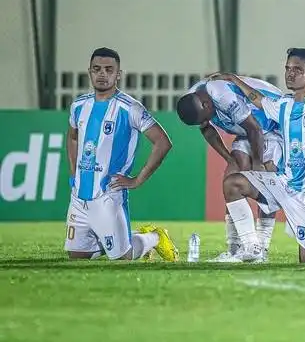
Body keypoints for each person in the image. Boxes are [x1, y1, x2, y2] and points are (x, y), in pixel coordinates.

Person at [210, 49, 305, 263]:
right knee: (233, 183)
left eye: (297, 69)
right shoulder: (283, 105)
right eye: (288, 69)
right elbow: (257, 99)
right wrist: (234, 79)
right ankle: (253, 248)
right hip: (286, 186)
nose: (290, 74)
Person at [65, 47, 177, 262]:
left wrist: (137, 180)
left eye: (109, 70)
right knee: (78, 256)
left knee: (122, 257)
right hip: (78, 196)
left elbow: (163, 142)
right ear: (89, 72)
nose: (102, 74)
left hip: (109, 194)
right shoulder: (79, 105)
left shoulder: (129, 108)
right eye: (97, 69)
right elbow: (72, 137)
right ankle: (113, 239)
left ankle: (154, 237)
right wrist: (73, 173)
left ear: (118, 74)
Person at [176, 75, 284, 262]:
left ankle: (262, 249)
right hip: (246, 131)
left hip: (272, 128)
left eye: (207, 116)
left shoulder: (221, 94)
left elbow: (255, 129)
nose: (208, 120)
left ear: (206, 104)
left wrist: (257, 164)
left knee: (265, 179)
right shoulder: (193, 99)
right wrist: (228, 159)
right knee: (232, 176)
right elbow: (207, 129)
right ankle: (236, 250)